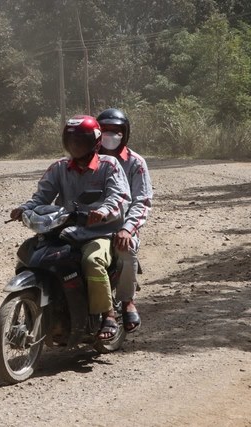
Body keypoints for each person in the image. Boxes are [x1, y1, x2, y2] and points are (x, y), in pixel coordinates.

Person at [10, 115, 131, 340]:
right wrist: (24, 209)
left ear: (94, 142)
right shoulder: (59, 168)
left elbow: (119, 196)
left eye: (81, 141)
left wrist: (103, 211)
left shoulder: (109, 165)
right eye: (72, 141)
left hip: (100, 232)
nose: (76, 146)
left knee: (92, 261)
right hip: (65, 231)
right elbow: (41, 197)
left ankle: (108, 315)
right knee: (29, 255)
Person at [96, 108, 153, 333]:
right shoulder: (86, 158)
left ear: (125, 133)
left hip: (121, 226)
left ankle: (127, 300)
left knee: (125, 249)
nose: (110, 135)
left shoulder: (136, 163)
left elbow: (142, 201)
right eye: (105, 130)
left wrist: (128, 229)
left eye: (116, 131)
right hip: (88, 224)